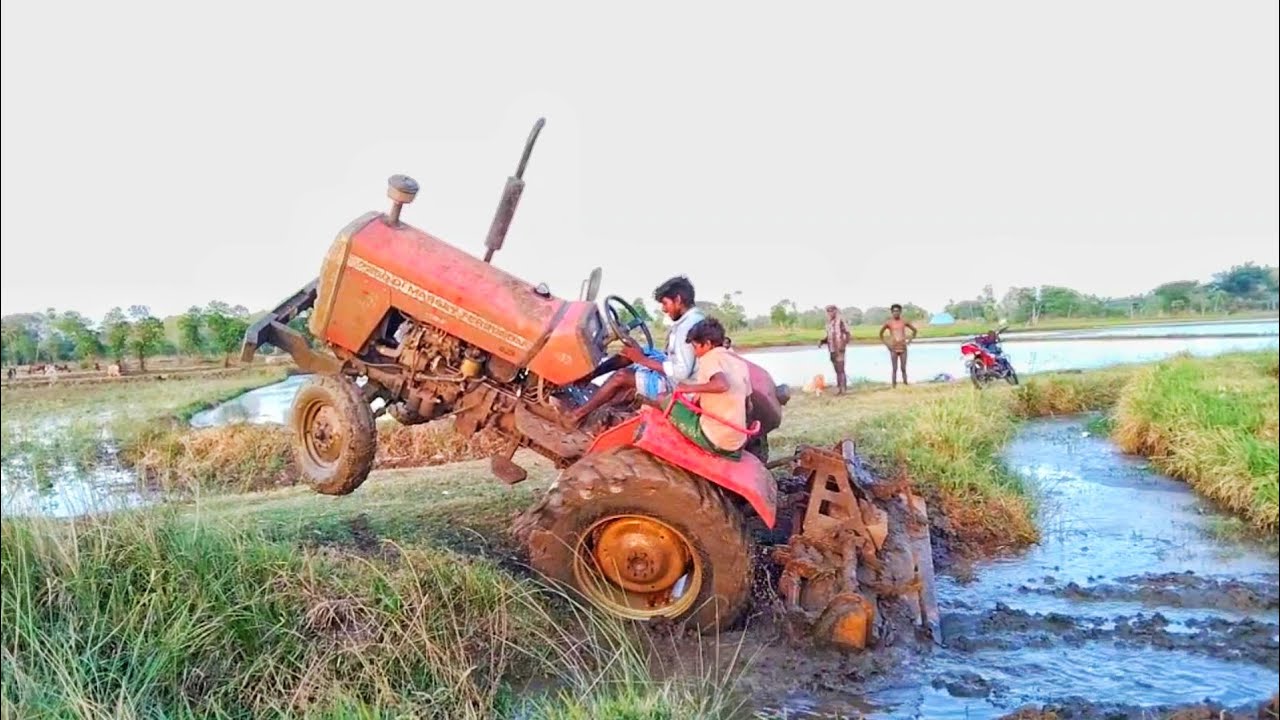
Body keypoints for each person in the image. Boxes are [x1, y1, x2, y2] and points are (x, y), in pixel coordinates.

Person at [567, 276, 705, 426]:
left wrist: (642, 360)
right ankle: (586, 379)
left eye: (665, 303)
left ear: (678, 300)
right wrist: (639, 356)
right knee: (631, 350)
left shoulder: (688, 327)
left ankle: (575, 416)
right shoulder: (692, 319)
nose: (664, 309)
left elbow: (681, 372)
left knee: (622, 376)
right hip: (678, 374)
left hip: (680, 388)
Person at [670, 317, 751, 455]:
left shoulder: (709, 358)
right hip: (738, 441)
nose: (695, 354)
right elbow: (749, 406)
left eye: (695, 347)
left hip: (716, 440)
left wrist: (686, 388)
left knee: (666, 401)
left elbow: (721, 385)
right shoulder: (739, 362)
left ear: (707, 344)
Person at [878, 303, 918, 387]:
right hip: (893, 348)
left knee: (903, 368)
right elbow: (881, 334)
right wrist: (887, 345)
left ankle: (905, 384)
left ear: (900, 312)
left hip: (903, 347)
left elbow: (914, 331)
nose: (896, 313)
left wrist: (909, 341)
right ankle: (894, 385)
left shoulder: (904, 321)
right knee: (894, 368)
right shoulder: (889, 323)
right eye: (894, 311)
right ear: (892, 312)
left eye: (897, 311)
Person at [817, 304, 851, 394]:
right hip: (831, 349)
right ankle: (839, 388)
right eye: (828, 311)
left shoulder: (840, 320)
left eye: (831, 311)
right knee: (836, 369)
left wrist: (843, 345)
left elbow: (848, 333)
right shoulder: (829, 323)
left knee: (841, 369)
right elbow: (829, 336)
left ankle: (843, 389)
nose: (829, 313)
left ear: (835, 311)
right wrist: (822, 341)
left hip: (839, 349)